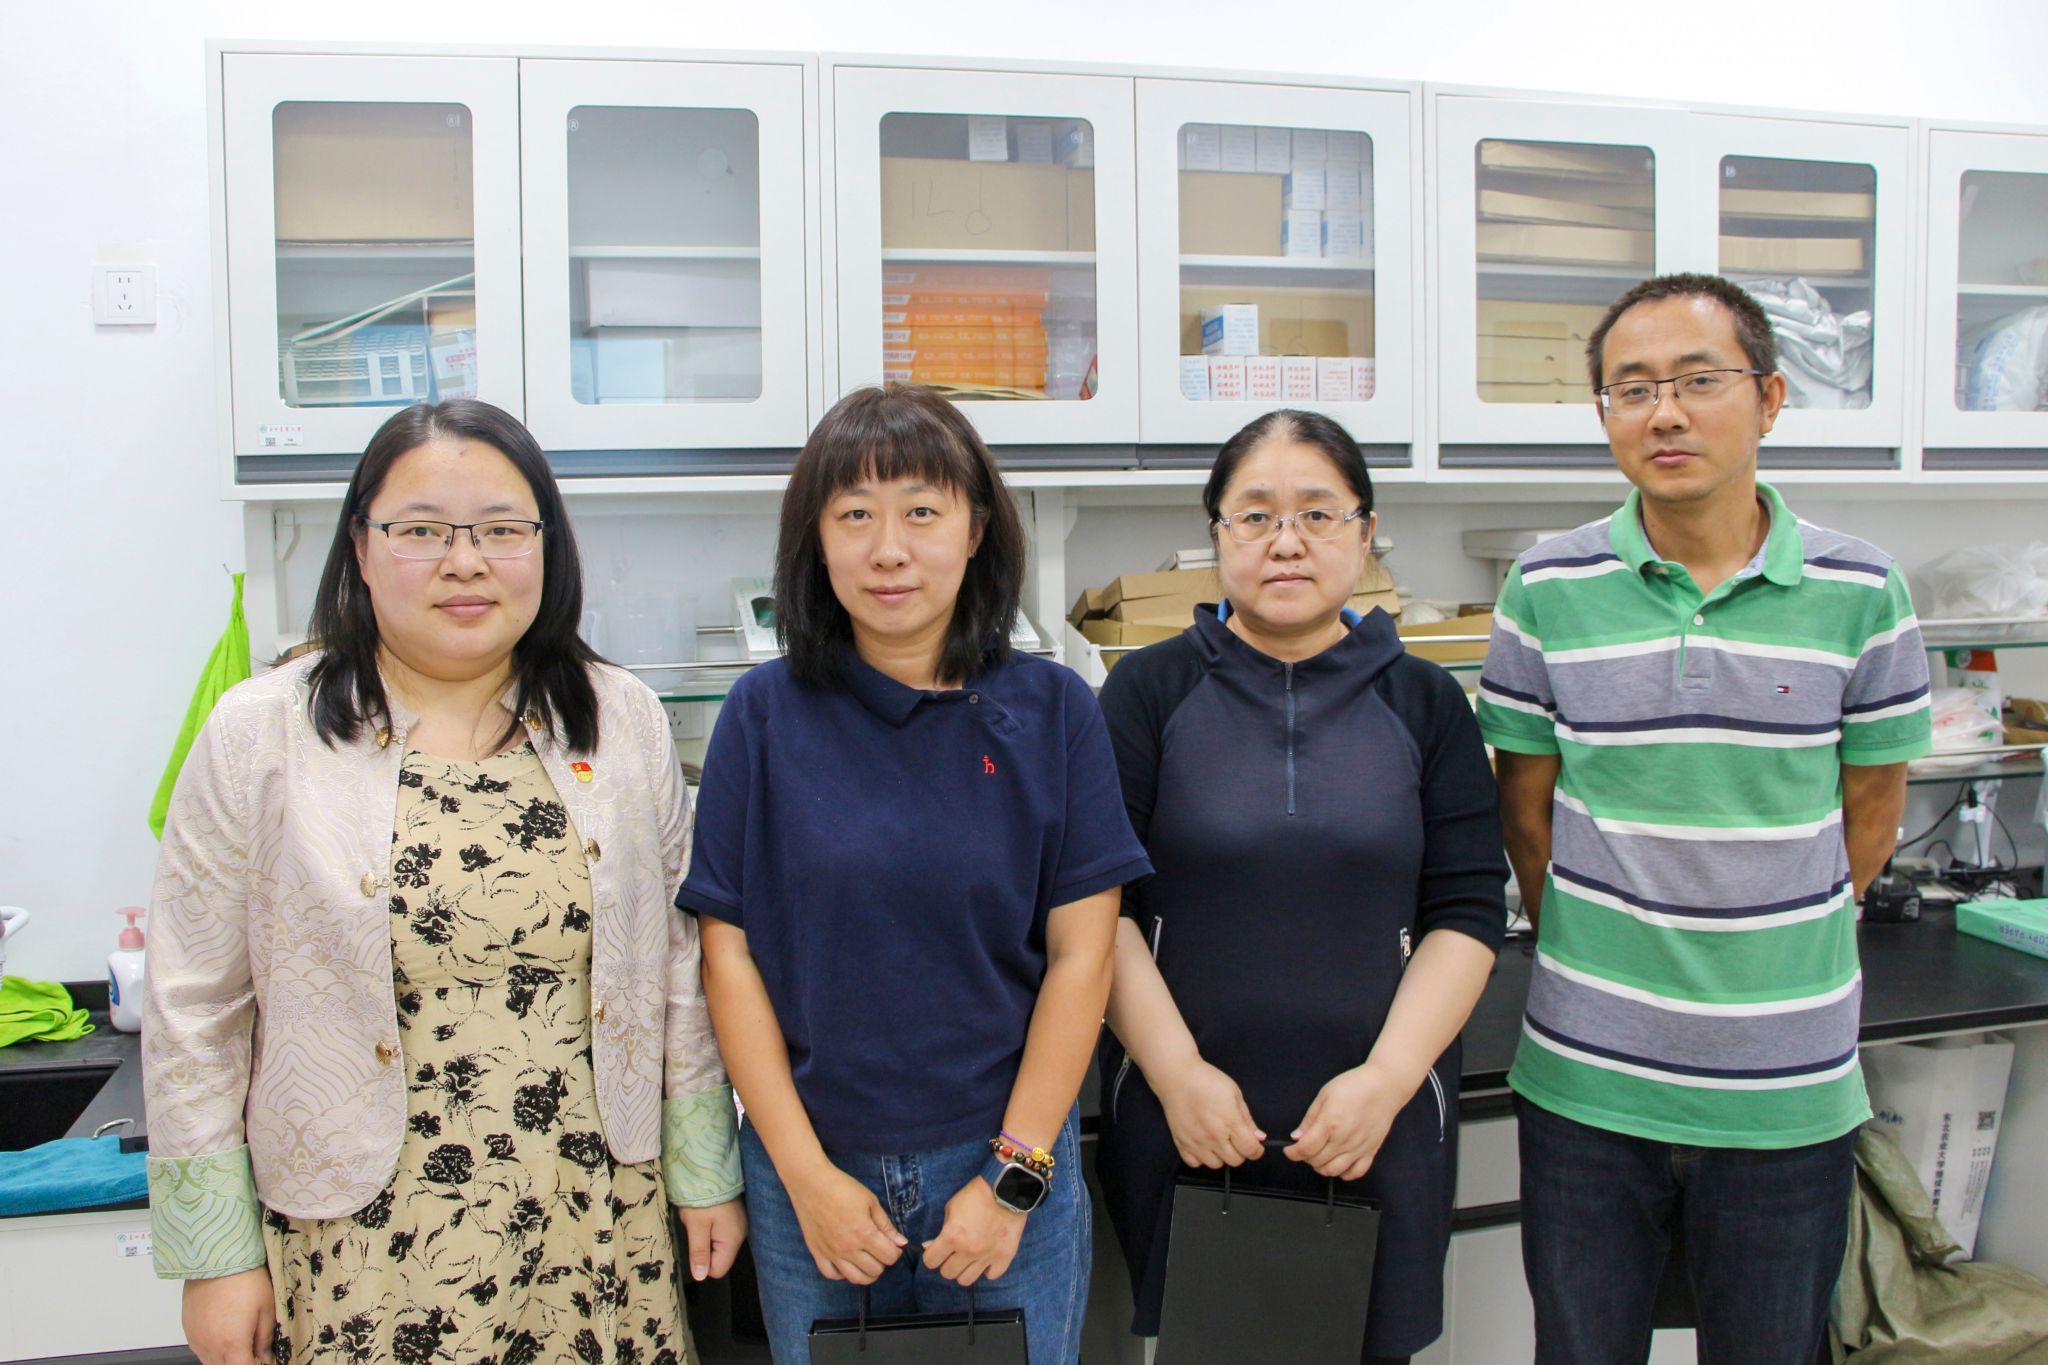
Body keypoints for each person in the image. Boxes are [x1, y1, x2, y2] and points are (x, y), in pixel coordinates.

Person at [145, 400, 745, 1365]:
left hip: (591, 1212)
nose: (465, 561)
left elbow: (679, 968)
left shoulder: (618, 719)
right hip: (359, 1231)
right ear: (361, 545)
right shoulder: (261, 734)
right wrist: (214, 1255)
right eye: (422, 530)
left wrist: (705, 1170)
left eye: (502, 529)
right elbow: (194, 1009)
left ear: (546, 546)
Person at [1476, 273, 1934, 1365]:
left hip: (1786, 1089)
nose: (1664, 413)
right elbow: (1525, 816)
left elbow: (1870, 819)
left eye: (1697, 381)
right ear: (1604, 415)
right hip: (1588, 1080)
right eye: (1631, 389)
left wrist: (1765, 931)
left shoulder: (1863, 590)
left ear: (1768, 398)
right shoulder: (1545, 586)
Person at [680, 384, 1150, 1364]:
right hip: (811, 1170)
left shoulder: (1054, 710)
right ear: (815, 540)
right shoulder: (760, 716)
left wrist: (1012, 1179)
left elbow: (1083, 957)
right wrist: (804, 1177)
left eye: (922, 512)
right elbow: (729, 960)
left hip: (1004, 1160)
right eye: (854, 515)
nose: (887, 549)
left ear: (975, 530)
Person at [1094, 409, 1509, 1364]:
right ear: (1217, 535)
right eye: (1256, 515)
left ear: (1366, 534)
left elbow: (1465, 913)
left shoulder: (1426, 700)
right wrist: (1177, 1075)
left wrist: (1387, 1081)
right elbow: (1099, 910)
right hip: (1191, 1120)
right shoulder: (1146, 693)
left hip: (1377, 1120)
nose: (1286, 541)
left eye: (1319, 514)